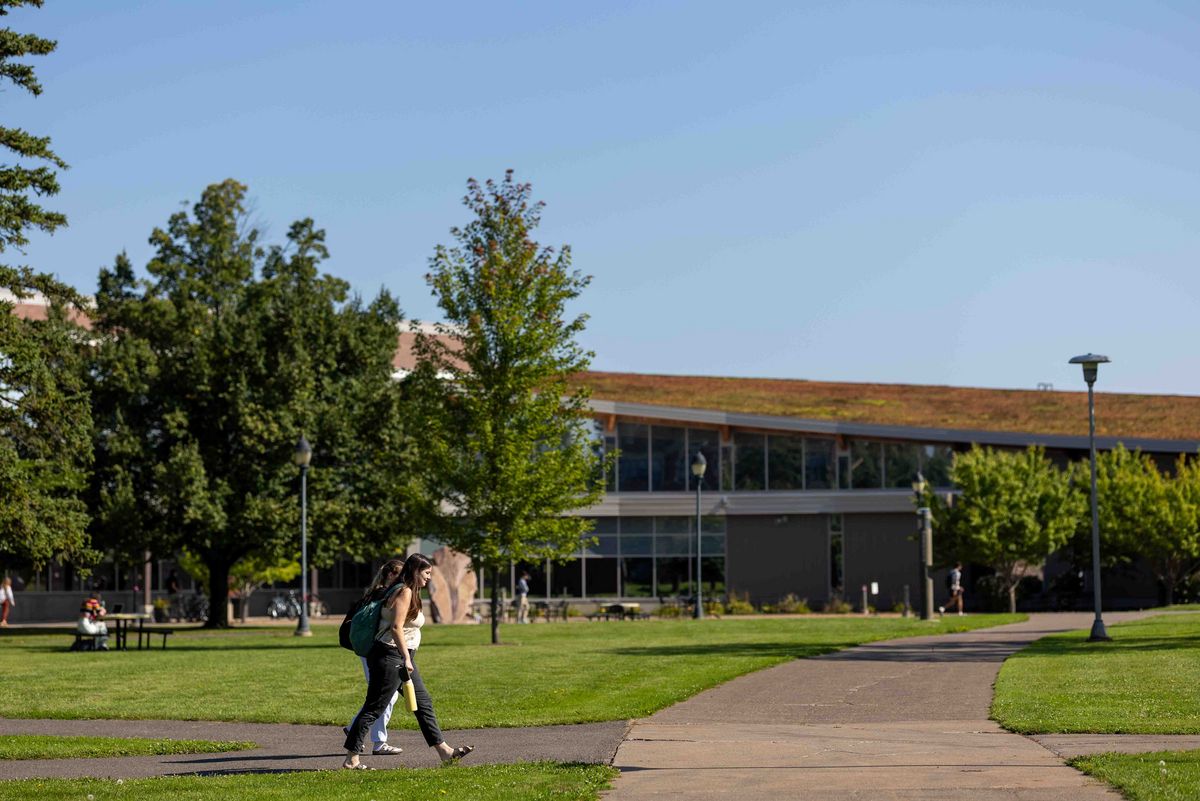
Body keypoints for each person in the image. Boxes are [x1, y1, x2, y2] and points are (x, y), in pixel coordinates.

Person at [342, 553, 474, 769]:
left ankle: (445, 752)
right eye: (426, 573)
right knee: (374, 707)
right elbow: (395, 627)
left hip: (400, 656)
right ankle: (351, 759)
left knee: (423, 703)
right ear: (415, 571)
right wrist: (405, 657)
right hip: (391, 655)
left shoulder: (407, 591)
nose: (429, 577)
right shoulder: (404, 591)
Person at [344, 558, 405, 756]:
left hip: (371, 650)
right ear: (390, 575)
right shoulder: (383, 594)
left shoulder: (374, 593)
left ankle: (354, 729)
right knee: (383, 696)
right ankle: (379, 742)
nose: (404, 578)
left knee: (383, 696)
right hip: (376, 651)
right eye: (400, 574)